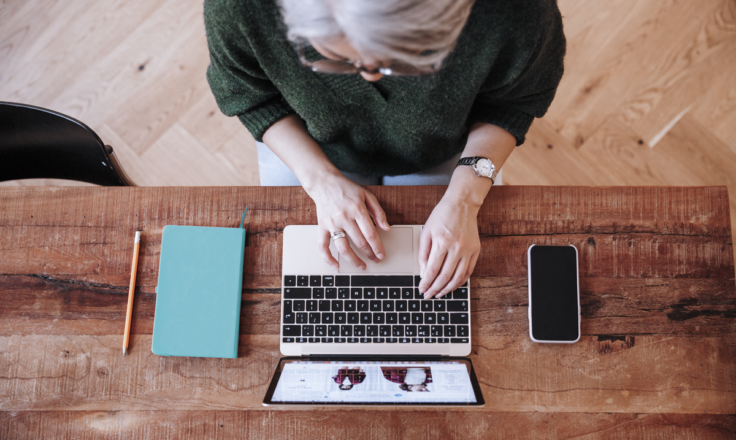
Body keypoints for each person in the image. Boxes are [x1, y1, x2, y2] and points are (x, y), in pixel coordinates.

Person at [205, 0, 565, 298]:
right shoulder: (239, 8)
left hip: (448, 148)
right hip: (305, 142)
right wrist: (320, 181)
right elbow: (250, 95)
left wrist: (464, 201)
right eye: (338, 59)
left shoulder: (521, 12)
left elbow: (510, 105)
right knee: (296, 273)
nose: (371, 77)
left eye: (404, 62)